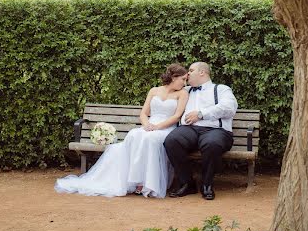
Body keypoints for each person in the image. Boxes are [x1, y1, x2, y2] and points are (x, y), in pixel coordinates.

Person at [55, 64, 188, 198]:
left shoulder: (182, 93)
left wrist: (157, 127)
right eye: (182, 79)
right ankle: (135, 180)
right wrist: (147, 124)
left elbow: (176, 116)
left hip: (166, 128)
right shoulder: (154, 90)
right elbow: (143, 113)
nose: (184, 83)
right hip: (149, 125)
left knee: (150, 139)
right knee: (134, 134)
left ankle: (147, 184)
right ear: (173, 77)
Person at [164, 61, 237, 200]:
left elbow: (229, 107)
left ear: (202, 72)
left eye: (191, 70)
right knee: (172, 141)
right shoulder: (185, 91)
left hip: (216, 130)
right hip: (189, 129)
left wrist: (201, 114)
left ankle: (207, 184)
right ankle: (187, 183)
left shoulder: (221, 89)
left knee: (212, 144)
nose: (187, 74)